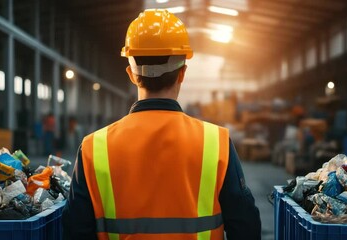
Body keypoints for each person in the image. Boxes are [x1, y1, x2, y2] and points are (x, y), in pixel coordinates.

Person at [62, 9, 261, 240]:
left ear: (131, 74)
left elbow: (76, 230)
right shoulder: (216, 143)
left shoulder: (93, 148)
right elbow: (245, 227)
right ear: (182, 74)